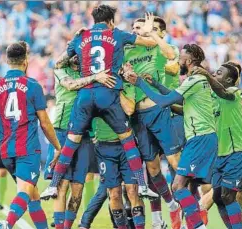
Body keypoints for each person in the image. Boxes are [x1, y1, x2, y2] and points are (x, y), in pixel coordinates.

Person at [41, 5, 159, 199]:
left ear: (94, 20)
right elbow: (150, 44)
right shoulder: (118, 34)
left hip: (85, 96)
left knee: (71, 142)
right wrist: (148, 33)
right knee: (127, 139)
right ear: (111, 21)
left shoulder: (82, 36)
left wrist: (73, 41)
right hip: (109, 94)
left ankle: (53, 185)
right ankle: (142, 185)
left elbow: (59, 63)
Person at [124, 44, 218, 229]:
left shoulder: (194, 80)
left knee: (179, 186)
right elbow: (178, 98)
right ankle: (196, 224)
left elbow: (165, 101)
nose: (178, 61)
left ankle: (197, 224)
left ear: (189, 61)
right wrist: (156, 84)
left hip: (200, 138)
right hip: (201, 138)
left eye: (181, 58)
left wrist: (140, 83)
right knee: (185, 185)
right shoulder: (195, 79)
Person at [0, 41, 61, 229]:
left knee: (33, 196)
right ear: (25, 61)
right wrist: (57, 146)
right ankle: (7, 223)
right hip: (27, 149)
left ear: (7, 61)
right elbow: (45, 122)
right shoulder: (33, 86)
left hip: (6, 151)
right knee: (26, 190)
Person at [124, 17, 182, 229]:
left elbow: (171, 56)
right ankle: (171, 204)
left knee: (176, 162)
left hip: (160, 111)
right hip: (138, 117)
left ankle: (192, 212)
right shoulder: (127, 53)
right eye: (133, 28)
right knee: (152, 169)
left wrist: (152, 34)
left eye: (138, 27)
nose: (135, 30)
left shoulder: (157, 47)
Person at [42, 55, 113, 228]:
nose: (76, 56)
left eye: (80, 53)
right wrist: (94, 77)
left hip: (84, 134)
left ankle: (67, 225)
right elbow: (70, 84)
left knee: (78, 187)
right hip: (62, 131)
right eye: (73, 53)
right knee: (61, 184)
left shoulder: (90, 74)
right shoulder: (61, 71)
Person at [191, 61, 242, 229]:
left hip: (237, 152)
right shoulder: (212, 99)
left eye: (219, 73)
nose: (215, 74)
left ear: (228, 81)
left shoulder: (232, 92)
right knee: (219, 197)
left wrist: (206, 74)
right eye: (215, 72)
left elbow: (223, 92)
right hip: (220, 154)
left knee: (228, 196)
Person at [93, 80, 145, 229]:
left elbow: (129, 109)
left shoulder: (125, 86)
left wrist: (118, 89)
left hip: (126, 147)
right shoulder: (95, 90)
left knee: (132, 191)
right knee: (114, 194)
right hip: (104, 148)